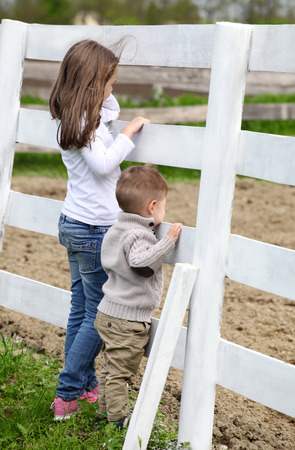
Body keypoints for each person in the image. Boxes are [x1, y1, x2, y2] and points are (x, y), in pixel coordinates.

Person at [49, 39, 150, 420]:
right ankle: (68, 392)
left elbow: (110, 110)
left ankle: (85, 386)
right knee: (95, 314)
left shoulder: (73, 116)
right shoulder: (83, 124)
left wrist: (104, 99)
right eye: (108, 82)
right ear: (91, 83)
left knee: (81, 309)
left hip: (75, 222)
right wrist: (130, 132)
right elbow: (105, 165)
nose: (113, 90)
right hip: (93, 230)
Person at [94, 164, 182, 429]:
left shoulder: (117, 229)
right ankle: (117, 422)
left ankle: (103, 416)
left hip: (108, 312)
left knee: (110, 369)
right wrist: (167, 242)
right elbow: (141, 264)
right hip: (127, 321)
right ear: (152, 207)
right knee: (120, 374)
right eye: (163, 206)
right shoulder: (140, 235)